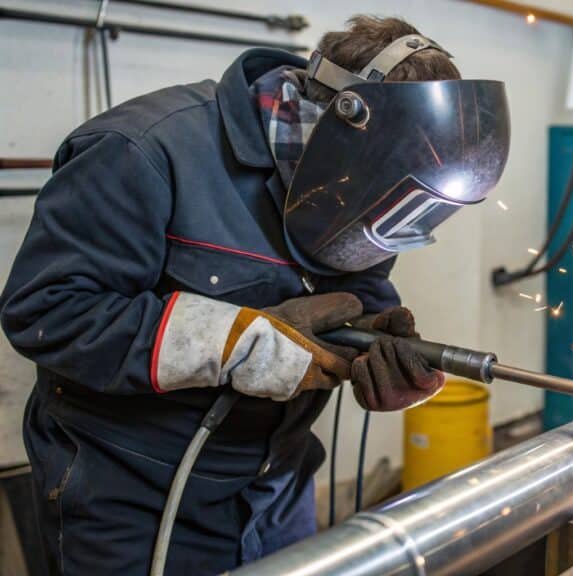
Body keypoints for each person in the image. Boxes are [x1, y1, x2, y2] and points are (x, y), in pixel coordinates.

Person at [0, 15, 509, 575]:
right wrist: (230, 341)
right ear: (342, 126)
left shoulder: (360, 178)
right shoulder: (143, 150)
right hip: (131, 495)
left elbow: (354, 287)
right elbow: (46, 311)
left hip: (278, 489)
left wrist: (377, 346)